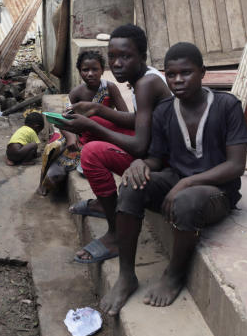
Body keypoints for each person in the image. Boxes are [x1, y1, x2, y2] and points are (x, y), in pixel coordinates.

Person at [101, 42, 247, 315]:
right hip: (175, 182)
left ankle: (174, 275)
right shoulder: (165, 110)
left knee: (187, 200)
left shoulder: (227, 105)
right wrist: (139, 164)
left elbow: (236, 165)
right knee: (132, 186)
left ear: (203, 73)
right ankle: (126, 276)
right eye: (171, 74)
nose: (178, 80)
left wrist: (187, 182)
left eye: (186, 72)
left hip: (215, 192)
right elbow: (156, 158)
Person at [53, 24, 171, 264]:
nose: (117, 63)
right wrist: (96, 110)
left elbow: (139, 146)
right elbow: (138, 119)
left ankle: (116, 233)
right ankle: (104, 202)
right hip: (153, 146)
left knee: (91, 153)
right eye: (113, 56)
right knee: (95, 119)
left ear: (142, 57)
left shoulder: (146, 84)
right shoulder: (144, 78)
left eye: (126, 56)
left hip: (160, 160)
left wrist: (92, 125)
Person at [35, 50, 129, 197]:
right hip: (81, 139)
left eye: (95, 69)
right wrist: (71, 138)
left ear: (102, 70)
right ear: (79, 71)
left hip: (106, 135)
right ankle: (43, 182)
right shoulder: (76, 93)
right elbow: (63, 120)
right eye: (85, 70)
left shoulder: (110, 88)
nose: (90, 74)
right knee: (53, 163)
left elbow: (125, 116)